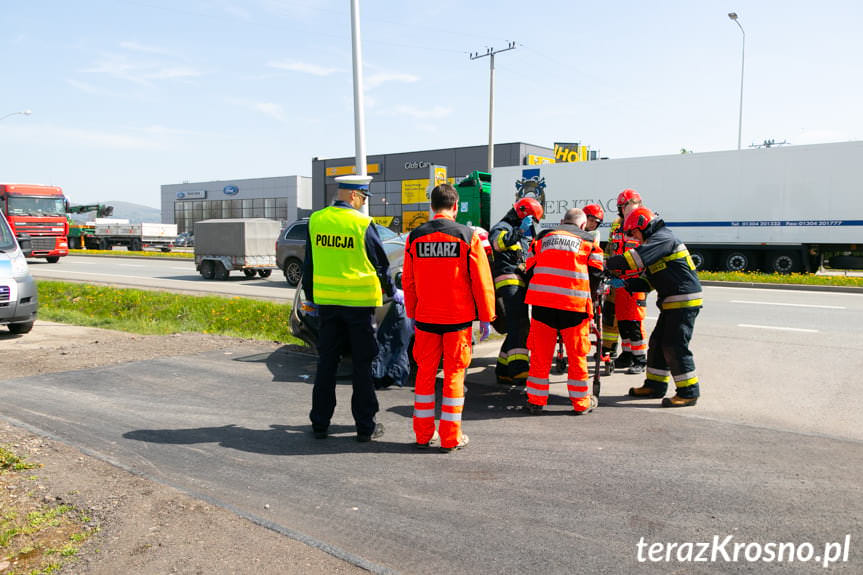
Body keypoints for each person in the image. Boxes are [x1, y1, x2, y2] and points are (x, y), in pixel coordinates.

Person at [302, 174, 400, 442]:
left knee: (326, 365)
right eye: (364, 197)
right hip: (359, 306)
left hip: (328, 305)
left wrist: (311, 297)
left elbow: (309, 263)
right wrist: (392, 292)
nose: (363, 203)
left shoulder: (317, 220)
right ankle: (365, 427)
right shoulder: (361, 223)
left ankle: (320, 424)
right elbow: (380, 263)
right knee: (362, 366)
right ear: (355, 195)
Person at [403, 183, 495, 452]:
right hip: (457, 319)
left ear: (431, 207)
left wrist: (412, 312)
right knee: (455, 374)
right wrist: (486, 316)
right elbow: (481, 280)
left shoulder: (414, 238)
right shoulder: (468, 236)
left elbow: (408, 281)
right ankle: (451, 437)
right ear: (455, 207)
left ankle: (422, 435)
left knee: (424, 375)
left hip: (426, 318)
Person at [606, 207, 703, 407]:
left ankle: (689, 392)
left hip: (683, 300)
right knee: (658, 343)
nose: (635, 238)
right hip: (672, 301)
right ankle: (655, 385)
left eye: (634, 233)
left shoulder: (662, 238)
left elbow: (634, 259)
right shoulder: (656, 243)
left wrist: (605, 263)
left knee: (674, 345)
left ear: (643, 225)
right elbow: (649, 281)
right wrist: (624, 284)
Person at [523, 208, 605, 414]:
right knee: (577, 356)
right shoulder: (589, 242)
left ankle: (536, 400)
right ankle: (581, 403)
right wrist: (591, 297)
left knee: (541, 356)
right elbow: (597, 273)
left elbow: (529, 269)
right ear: (583, 225)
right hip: (574, 307)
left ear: (562, 222)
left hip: (543, 305)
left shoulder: (542, 239)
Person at [489, 197, 543, 385]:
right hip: (507, 280)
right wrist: (518, 231)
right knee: (520, 324)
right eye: (532, 219)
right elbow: (498, 244)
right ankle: (518, 369)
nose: (532, 224)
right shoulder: (502, 227)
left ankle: (503, 369)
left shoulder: (524, 232)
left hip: (520, 280)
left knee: (516, 324)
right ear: (522, 213)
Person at [602, 189, 648, 374]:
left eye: (626, 205)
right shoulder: (617, 225)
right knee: (622, 320)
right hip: (619, 280)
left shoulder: (643, 222)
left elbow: (645, 253)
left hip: (635, 280)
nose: (624, 209)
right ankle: (627, 354)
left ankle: (640, 359)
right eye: (622, 206)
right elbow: (612, 248)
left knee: (634, 321)